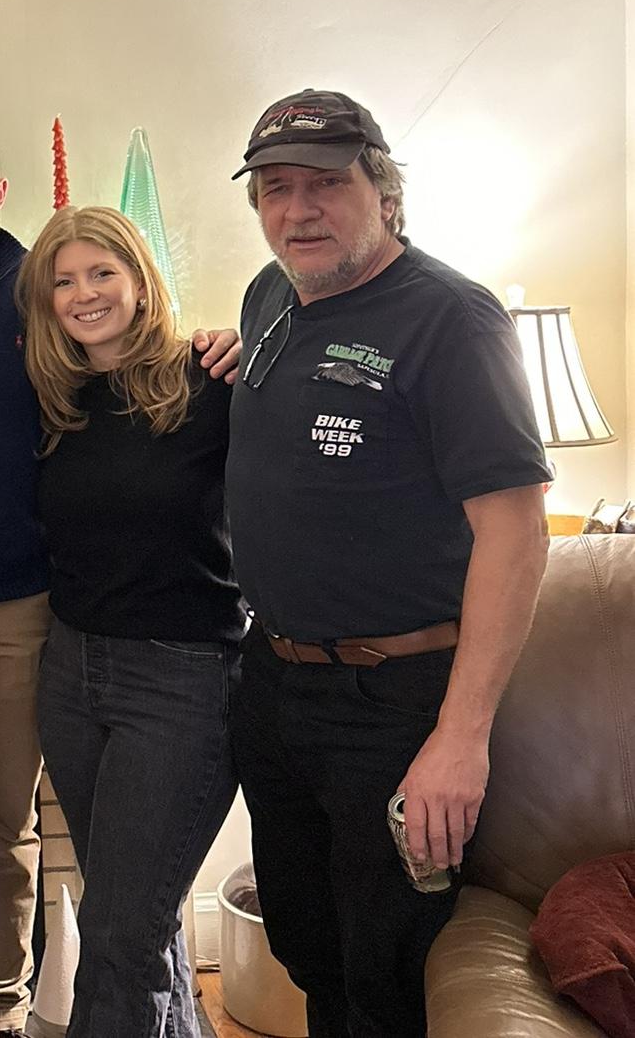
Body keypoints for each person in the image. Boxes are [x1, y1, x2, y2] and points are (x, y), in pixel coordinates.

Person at [0, 119, 238, 1037]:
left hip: (37, 618)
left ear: (0, 190)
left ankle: (2, 1014)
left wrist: (234, 343)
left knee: (17, 840)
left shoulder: (42, 290)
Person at [226, 88, 551, 1038]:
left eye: (326, 184)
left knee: (391, 972)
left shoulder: (454, 319)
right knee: (310, 947)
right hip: (275, 685)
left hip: (397, 703)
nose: (298, 210)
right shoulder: (269, 298)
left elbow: (517, 532)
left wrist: (461, 735)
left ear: (386, 193)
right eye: (275, 190)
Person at [18, 205, 244, 1038]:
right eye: (63, 281)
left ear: (140, 281)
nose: (84, 294)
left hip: (182, 681)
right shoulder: (54, 404)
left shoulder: (211, 383)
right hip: (70, 675)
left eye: (101, 273)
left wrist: (245, 346)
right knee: (137, 917)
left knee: (117, 937)